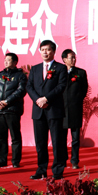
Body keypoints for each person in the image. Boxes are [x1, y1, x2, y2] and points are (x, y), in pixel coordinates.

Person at [26, 40, 68, 180]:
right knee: (40, 143)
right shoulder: (35, 68)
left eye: (48, 49)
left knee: (57, 142)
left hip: (54, 110)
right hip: (38, 110)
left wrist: (46, 99)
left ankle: (57, 170)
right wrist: (38, 100)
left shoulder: (60, 68)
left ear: (53, 51)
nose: (45, 52)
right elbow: (29, 86)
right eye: (42, 49)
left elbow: (61, 86)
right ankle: (41, 169)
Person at [0, 52, 27, 168]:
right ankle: (2, 159)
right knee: (1, 137)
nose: (6, 62)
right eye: (5, 60)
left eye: (8, 60)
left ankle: (15, 161)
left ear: (15, 62)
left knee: (15, 136)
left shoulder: (20, 75)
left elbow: (21, 91)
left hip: (12, 109)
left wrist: (7, 101)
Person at [61, 49, 88, 170]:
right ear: (64, 59)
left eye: (74, 57)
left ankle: (74, 161)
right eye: (71, 57)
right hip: (61, 109)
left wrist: (76, 100)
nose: (73, 60)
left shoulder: (81, 72)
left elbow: (84, 90)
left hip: (75, 109)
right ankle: (62, 160)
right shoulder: (59, 72)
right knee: (61, 138)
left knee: (75, 138)